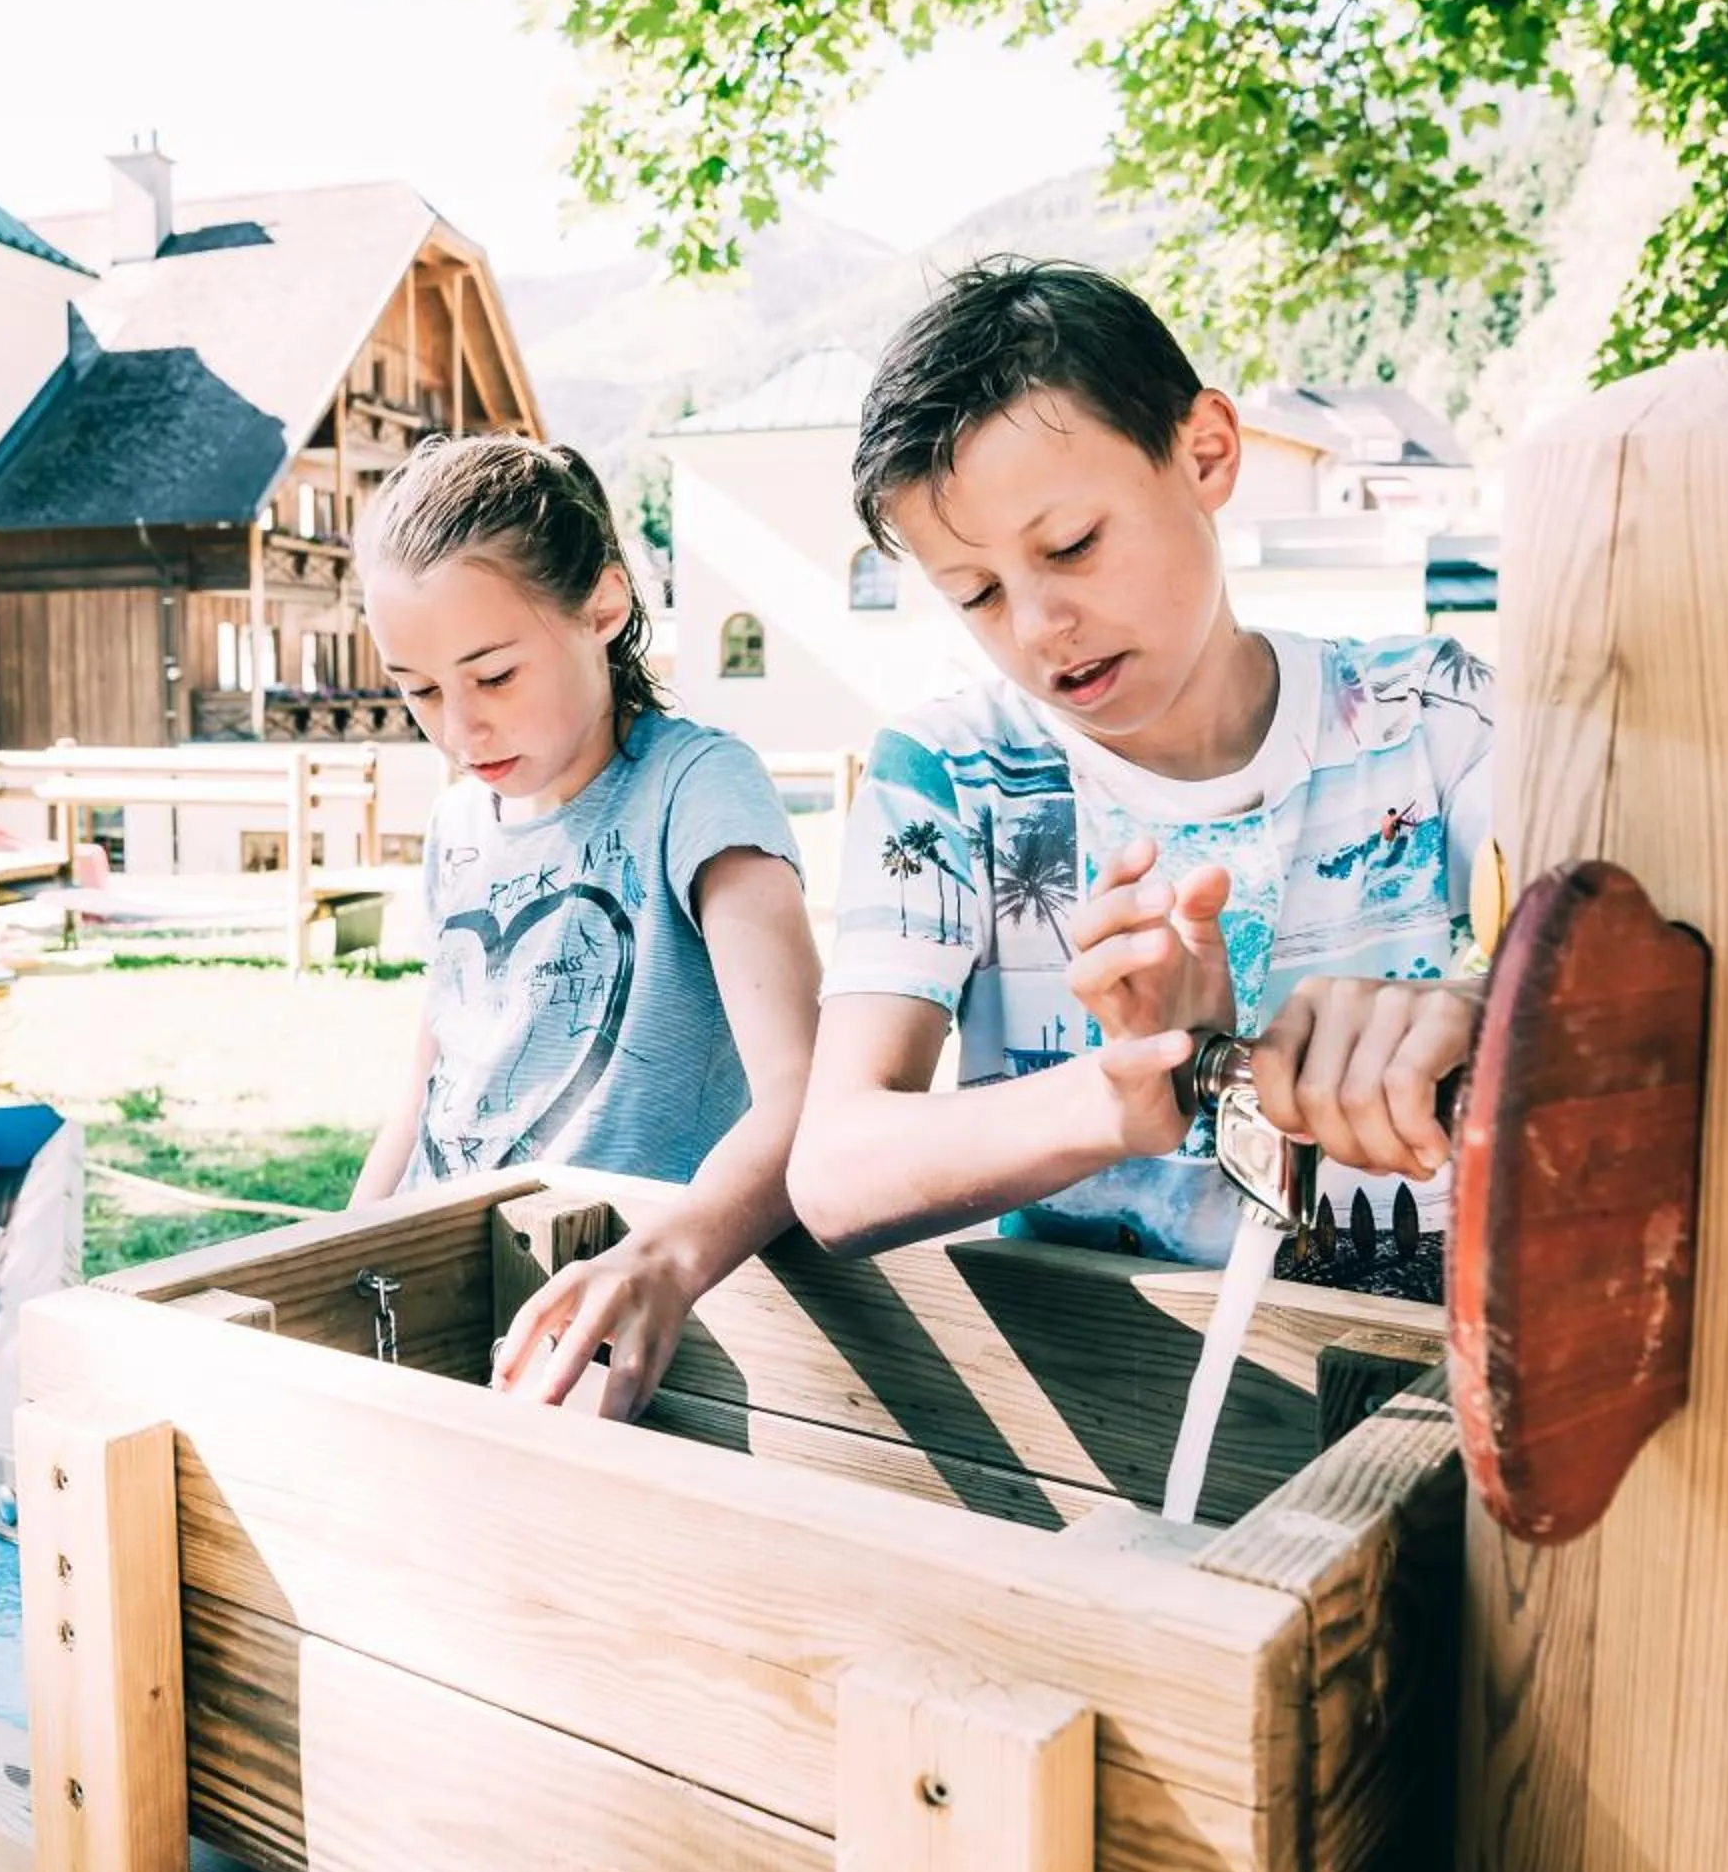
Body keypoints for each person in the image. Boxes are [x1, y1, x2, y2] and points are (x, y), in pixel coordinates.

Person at [789, 261, 1493, 1302]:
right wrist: (1118, 1098)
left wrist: (1477, 1012)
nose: (1039, 627)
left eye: (1073, 545)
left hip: (1407, 1368)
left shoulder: (1430, 716)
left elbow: (1650, 965)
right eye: (978, 594)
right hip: (1101, 1384)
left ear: (1206, 453)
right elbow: (837, 1170)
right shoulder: (951, 780)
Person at [348, 434, 822, 1414]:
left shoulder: (696, 788)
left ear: (603, 607)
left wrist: (665, 1260)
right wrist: (341, 1252)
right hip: (443, 1296)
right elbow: (426, 1088)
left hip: (621, 1324)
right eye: (419, 689)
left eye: (493, 675)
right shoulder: (456, 822)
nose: (459, 729)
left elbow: (804, 1092)